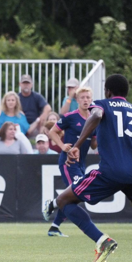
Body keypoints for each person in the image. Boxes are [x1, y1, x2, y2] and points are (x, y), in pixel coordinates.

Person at [43, 74, 132, 262]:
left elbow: (95, 116)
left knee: (64, 201)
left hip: (111, 172)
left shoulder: (102, 104)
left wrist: (77, 145)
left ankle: (101, 240)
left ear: (107, 91)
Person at [46, 87, 97, 237]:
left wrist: (100, 136)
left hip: (81, 162)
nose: (86, 100)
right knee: (76, 193)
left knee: (74, 196)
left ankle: (54, 226)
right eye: (82, 98)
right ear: (77, 100)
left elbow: (93, 144)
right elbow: (52, 132)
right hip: (68, 162)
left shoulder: (94, 119)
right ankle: (52, 205)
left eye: (88, 97)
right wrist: (62, 146)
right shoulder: (70, 117)